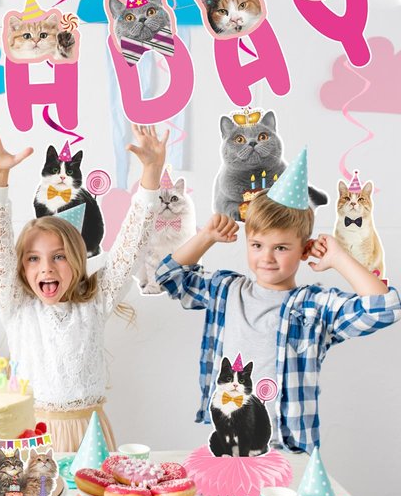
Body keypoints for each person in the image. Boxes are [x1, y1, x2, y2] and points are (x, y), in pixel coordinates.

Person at [0, 121, 167, 452]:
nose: (46, 267)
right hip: (31, 436)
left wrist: (151, 174)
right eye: (33, 259)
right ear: (21, 267)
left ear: (77, 259)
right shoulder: (16, 306)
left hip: (89, 435)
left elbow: (130, 249)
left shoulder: (96, 302)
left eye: (58, 257)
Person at [156, 185, 400, 453]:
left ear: (304, 250)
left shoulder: (313, 306)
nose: (267, 258)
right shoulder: (225, 291)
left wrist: (339, 258)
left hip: (288, 450)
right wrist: (206, 237)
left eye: (281, 247)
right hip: (231, 442)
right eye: (257, 245)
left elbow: (385, 308)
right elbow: (169, 276)